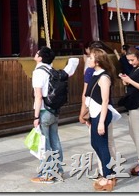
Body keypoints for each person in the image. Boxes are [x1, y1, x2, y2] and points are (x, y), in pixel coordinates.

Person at [30, 46, 79, 183]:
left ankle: (47, 174)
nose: (35, 54)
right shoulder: (51, 70)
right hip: (54, 110)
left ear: (40, 57)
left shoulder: (38, 72)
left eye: (37, 53)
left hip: (44, 111)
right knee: (55, 141)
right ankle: (58, 170)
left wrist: (35, 117)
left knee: (44, 144)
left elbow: (38, 96)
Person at [79, 41, 117, 179]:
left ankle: (108, 175)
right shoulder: (94, 74)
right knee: (95, 143)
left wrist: (101, 122)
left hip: (102, 114)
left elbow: (105, 101)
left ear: (97, 61)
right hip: (94, 113)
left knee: (102, 145)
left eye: (91, 58)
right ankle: (108, 172)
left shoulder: (104, 77)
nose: (88, 59)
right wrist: (87, 115)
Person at [118, 45, 139, 176]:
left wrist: (129, 80)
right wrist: (126, 80)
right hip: (133, 104)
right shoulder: (136, 68)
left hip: (138, 104)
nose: (131, 62)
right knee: (133, 133)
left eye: (132, 60)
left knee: (137, 134)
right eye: (129, 60)